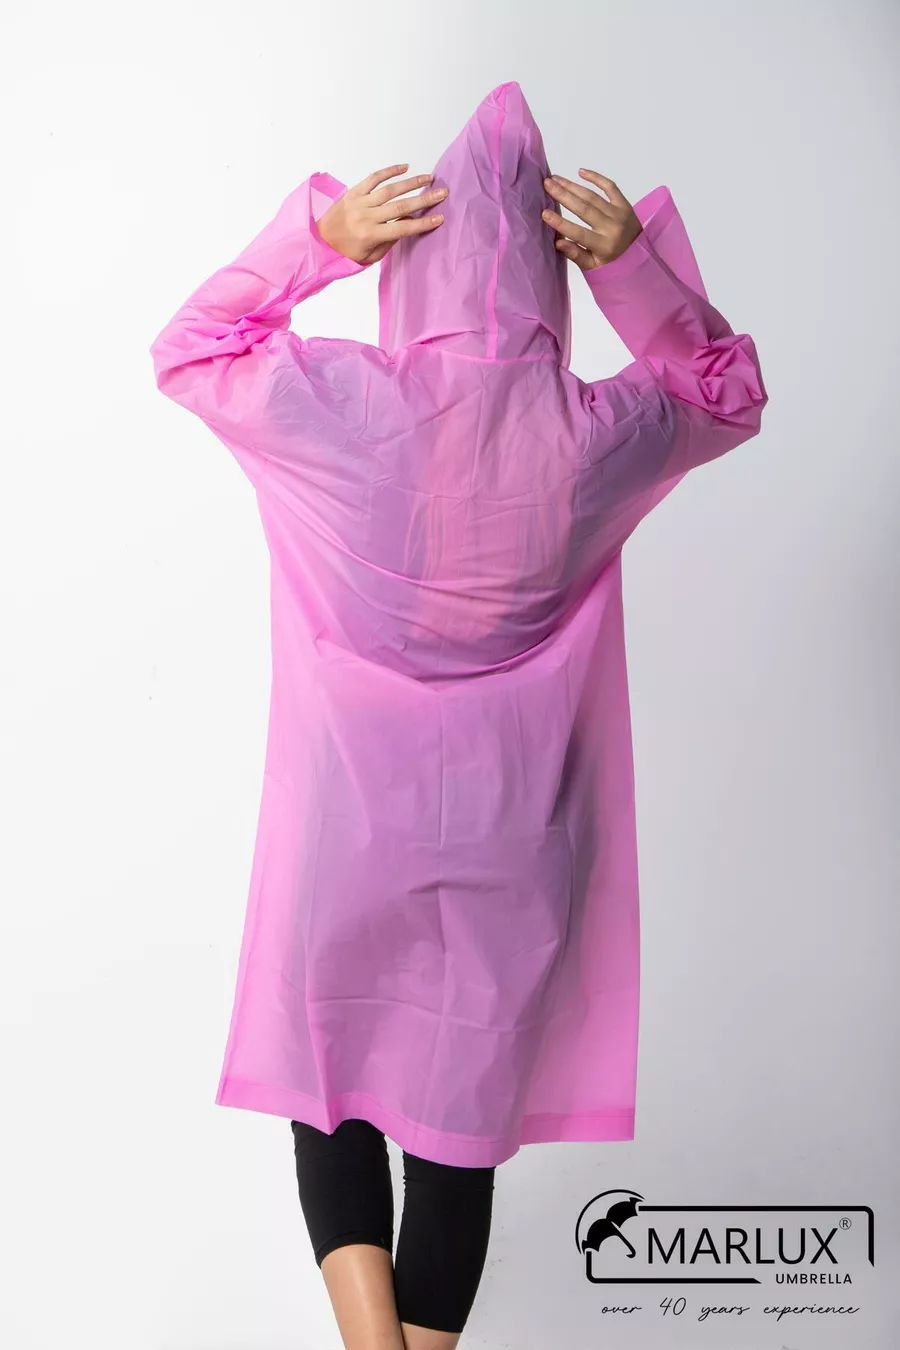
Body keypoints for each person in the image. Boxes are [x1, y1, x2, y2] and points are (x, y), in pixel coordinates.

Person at [149, 82, 767, 1350]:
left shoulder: (336, 403)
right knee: (458, 1127)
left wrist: (318, 241)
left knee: (332, 1087)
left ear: (411, 272)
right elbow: (725, 394)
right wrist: (632, 271)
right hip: (517, 840)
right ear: (545, 283)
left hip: (347, 828)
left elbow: (191, 352)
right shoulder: (596, 434)